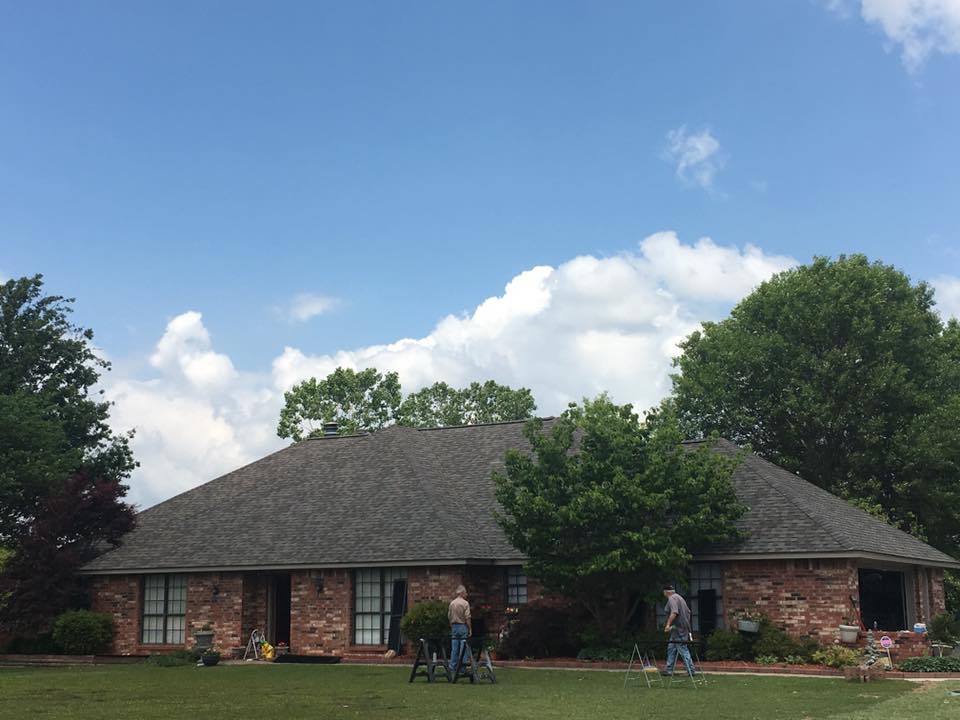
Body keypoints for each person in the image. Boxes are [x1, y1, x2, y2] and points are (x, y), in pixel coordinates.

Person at [662, 583, 695, 676]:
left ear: (665, 592)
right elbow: (688, 612)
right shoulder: (679, 597)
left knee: (682, 647)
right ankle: (669, 669)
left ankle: (691, 670)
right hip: (681, 627)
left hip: (678, 628)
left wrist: (668, 625)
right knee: (671, 648)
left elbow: (674, 612)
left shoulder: (672, 599)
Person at [448, 584, 472, 673]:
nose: (466, 594)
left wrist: (452, 626)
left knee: (454, 648)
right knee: (463, 648)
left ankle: (452, 667)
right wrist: (470, 629)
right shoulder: (465, 603)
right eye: (465, 592)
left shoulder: (452, 603)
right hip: (462, 626)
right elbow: (467, 617)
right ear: (462, 593)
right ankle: (462, 667)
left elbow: (449, 616)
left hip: (454, 626)